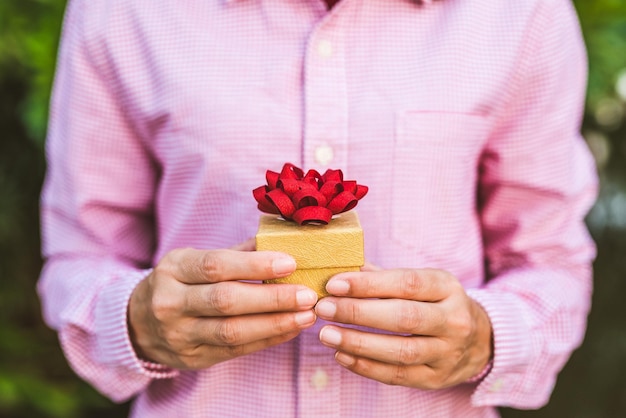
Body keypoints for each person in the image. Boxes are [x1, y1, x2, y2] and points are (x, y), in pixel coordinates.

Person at [38, 0, 598, 416]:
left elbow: (552, 263)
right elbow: (78, 256)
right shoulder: (120, 11)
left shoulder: (523, 14)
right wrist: (135, 322)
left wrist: (486, 338)